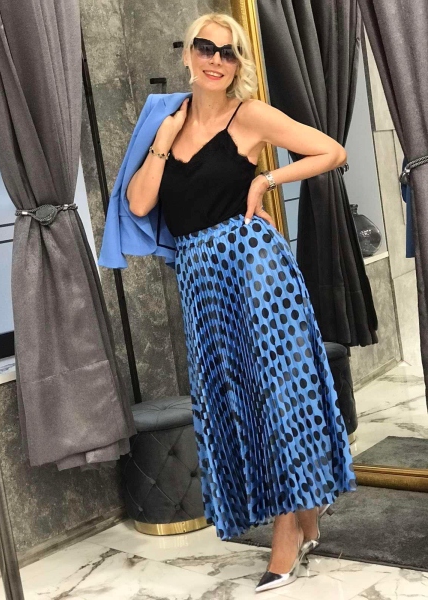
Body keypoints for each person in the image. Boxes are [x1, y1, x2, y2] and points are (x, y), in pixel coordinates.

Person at [125, 12, 357, 594]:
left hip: (254, 268)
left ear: (237, 64)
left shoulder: (248, 115)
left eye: (227, 53)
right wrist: (160, 146)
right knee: (236, 397)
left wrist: (265, 181)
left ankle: (287, 535)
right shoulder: (165, 120)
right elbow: (139, 204)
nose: (215, 60)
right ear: (188, 54)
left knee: (277, 396)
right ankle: (307, 515)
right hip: (201, 280)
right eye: (206, 48)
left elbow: (330, 151)